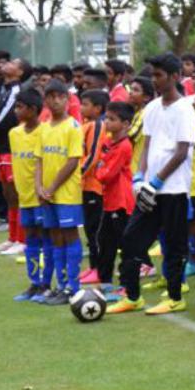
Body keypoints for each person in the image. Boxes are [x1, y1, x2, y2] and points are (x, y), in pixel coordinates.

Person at [107, 53, 195, 316]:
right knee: (131, 238)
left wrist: (157, 180)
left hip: (174, 189)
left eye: (159, 75)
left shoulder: (184, 110)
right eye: (153, 75)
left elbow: (181, 152)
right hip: (149, 190)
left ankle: (175, 297)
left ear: (175, 76)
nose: (155, 80)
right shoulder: (152, 108)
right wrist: (140, 176)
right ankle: (132, 296)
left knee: (174, 245)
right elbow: (147, 145)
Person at [36, 80, 86, 304]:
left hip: (66, 193)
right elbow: (39, 160)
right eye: (51, 96)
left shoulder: (73, 127)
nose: (56, 100)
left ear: (68, 99)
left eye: (60, 96)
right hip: (47, 194)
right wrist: (39, 187)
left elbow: (73, 161)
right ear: (45, 100)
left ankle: (73, 288)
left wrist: (51, 188)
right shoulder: (43, 127)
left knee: (69, 234)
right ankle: (61, 284)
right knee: (55, 237)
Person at [9, 88, 48, 303]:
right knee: (30, 238)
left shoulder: (45, 132)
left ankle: (46, 284)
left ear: (33, 110)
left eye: (20, 107)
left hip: (41, 197)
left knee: (45, 238)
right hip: (24, 197)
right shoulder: (14, 133)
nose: (16, 111)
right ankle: (34, 283)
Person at [94, 101, 136, 290]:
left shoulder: (124, 146)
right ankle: (105, 281)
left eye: (112, 119)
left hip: (121, 201)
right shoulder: (108, 142)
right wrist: (101, 167)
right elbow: (100, 166)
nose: (107, 122)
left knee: (124, 244)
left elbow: (106, 174)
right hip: (109, 200)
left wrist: (101, 168)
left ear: (125, 124)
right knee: (104, 241)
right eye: (107, 118)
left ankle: (127, 284)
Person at [0, 58, 26, 255]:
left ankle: (22, 239)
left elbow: (6, 119)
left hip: (12, 149)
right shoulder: (4, 88)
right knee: (8, 195)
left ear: (20, 72)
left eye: (13, 63)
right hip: (1, 148)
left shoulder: (17, 91)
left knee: (16, 195)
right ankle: (12, 237)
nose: (7, 64)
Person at [76, 89, 109, 286]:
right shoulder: (86, 125)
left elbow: (93, 155)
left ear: (98, 108)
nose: (81, 108)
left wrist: (77, 174)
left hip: (94, 185)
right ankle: (93, 266)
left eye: (85, 104)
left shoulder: (97, 125)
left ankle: (99, 269)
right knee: (89, 228)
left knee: (95, 229)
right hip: (86, 185)